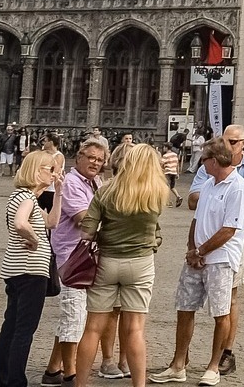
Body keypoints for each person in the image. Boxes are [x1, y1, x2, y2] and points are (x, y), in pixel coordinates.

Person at [149, 139, 244, 386]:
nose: (201, 163)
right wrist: (191, 249)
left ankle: (213, 366)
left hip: (221, 259)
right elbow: (197, 219)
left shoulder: (238, 187)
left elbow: (229, 229)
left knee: (221, 313)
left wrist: (201, 250)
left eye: (204, 159)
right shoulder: (208, 184)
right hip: (197, 257)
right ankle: (178, 364)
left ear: (214, 161)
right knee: (185, 308)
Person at [74, 144, 164, 387]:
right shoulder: (157, 192)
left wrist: (105, 234)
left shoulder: (106, 190)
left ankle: (80, 384)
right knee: (135, 329)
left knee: (93, 328)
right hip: (141, 263)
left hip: (107, 261)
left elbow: (87, 232)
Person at [41, 136, 108, 386]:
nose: (95, 163)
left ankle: (52, 370)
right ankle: (71, 374)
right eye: (91, 157)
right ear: (79, 157)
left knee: (73, 314)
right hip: (72, 257)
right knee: (74, 316)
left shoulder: (95, 182)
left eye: (100, 160)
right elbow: (85, 219)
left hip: (85, 255)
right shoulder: (72, 183)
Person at [0, 150, 60, 387]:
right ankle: (15, 381)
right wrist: (34, 239)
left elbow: (52, 222)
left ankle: (3, 380)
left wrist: (59, 192)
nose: (54, 174)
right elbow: (20, 223)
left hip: (16, 268)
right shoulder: (27, 198)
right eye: (50, 169)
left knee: (11, 326)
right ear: (36, 171)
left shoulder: (24, 197)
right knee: (23, 330)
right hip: (30, 270)